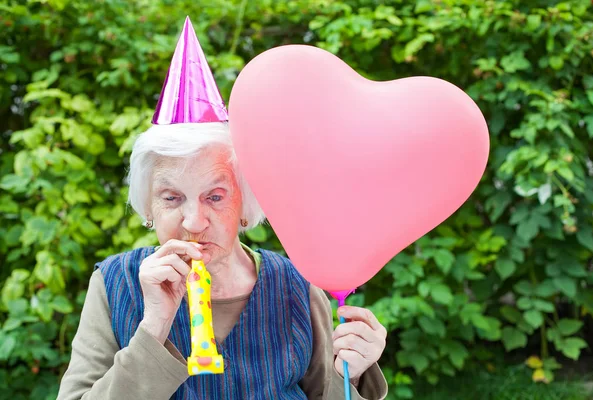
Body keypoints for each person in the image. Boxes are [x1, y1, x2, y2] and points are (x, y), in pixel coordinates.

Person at [57, 17, 388, 400]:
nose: (194, 222)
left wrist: (356, 371)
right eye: (171, 198)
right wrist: (154, 328)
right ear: (148, 207)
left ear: (244, 205)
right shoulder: (115, 285)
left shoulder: (297, 286)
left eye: (214, 197)